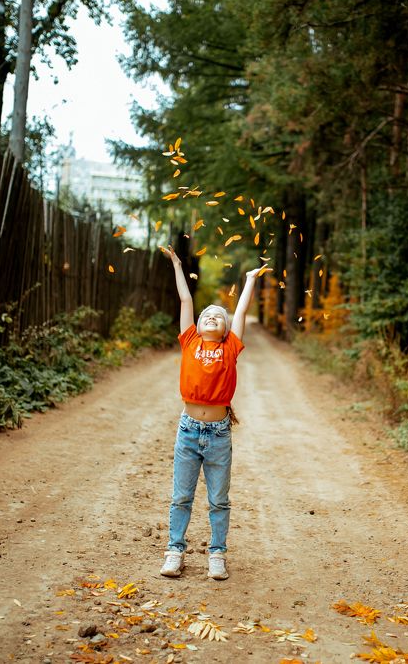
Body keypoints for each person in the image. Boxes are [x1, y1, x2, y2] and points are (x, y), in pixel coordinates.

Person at [158, 245, 262, 581]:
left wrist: (249, 280)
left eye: (218, 315)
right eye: (207, 315)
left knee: (219, 500)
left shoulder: (230, 347)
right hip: (188, 430)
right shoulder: (189, 340)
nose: (210, 317)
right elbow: (186, 300)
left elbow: (242, 310)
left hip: (218, 434)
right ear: (198, 324)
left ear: (226, 327)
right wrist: (176, 264)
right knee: (181, 497)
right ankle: (175, 551)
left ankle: (217, 554)